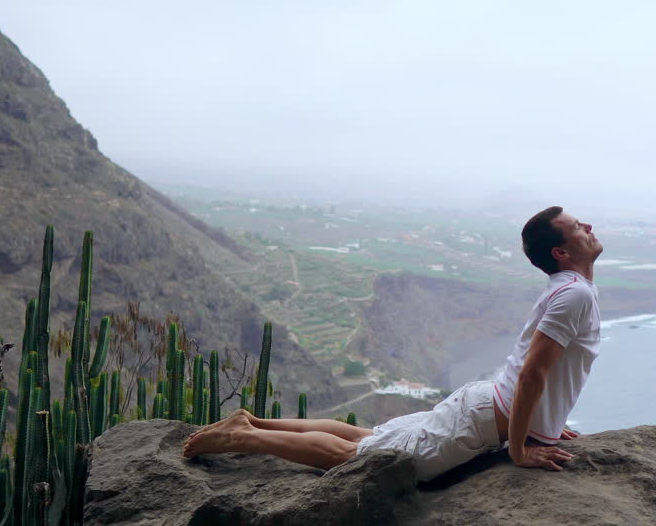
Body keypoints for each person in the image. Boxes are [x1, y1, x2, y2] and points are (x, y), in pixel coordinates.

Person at [182, 206, 604, 482]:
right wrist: (520, 447)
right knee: (360, 458)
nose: (587, 225)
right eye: (577, 227)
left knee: (370, 436)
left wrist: (545, 422)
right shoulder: (575, 294)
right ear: (561, 251)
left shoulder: (570, 288)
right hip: (481, 420)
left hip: (485, 407)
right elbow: (533, 372)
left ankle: (252, 423)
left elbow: (541, 370)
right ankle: (241, 436)